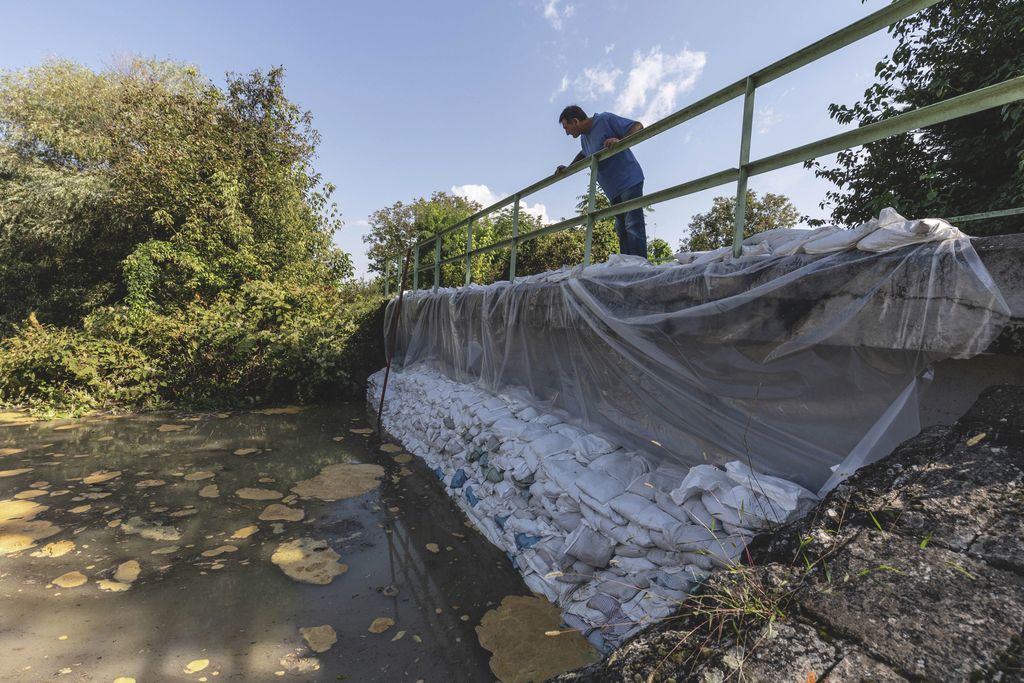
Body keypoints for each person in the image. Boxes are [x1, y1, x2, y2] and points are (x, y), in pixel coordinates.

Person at [556, 105, 647, 257]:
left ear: (576, 121)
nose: (567, 133)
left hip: (628, 180)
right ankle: (628, 265)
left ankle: (640, 266)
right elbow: (585, 154)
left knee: (633, 225)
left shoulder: (604, 119)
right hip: (612, 189)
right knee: (621, 229)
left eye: (567, 128)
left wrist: (620, 140)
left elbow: (637, 126)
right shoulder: (584, 139)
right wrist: (568, 168)